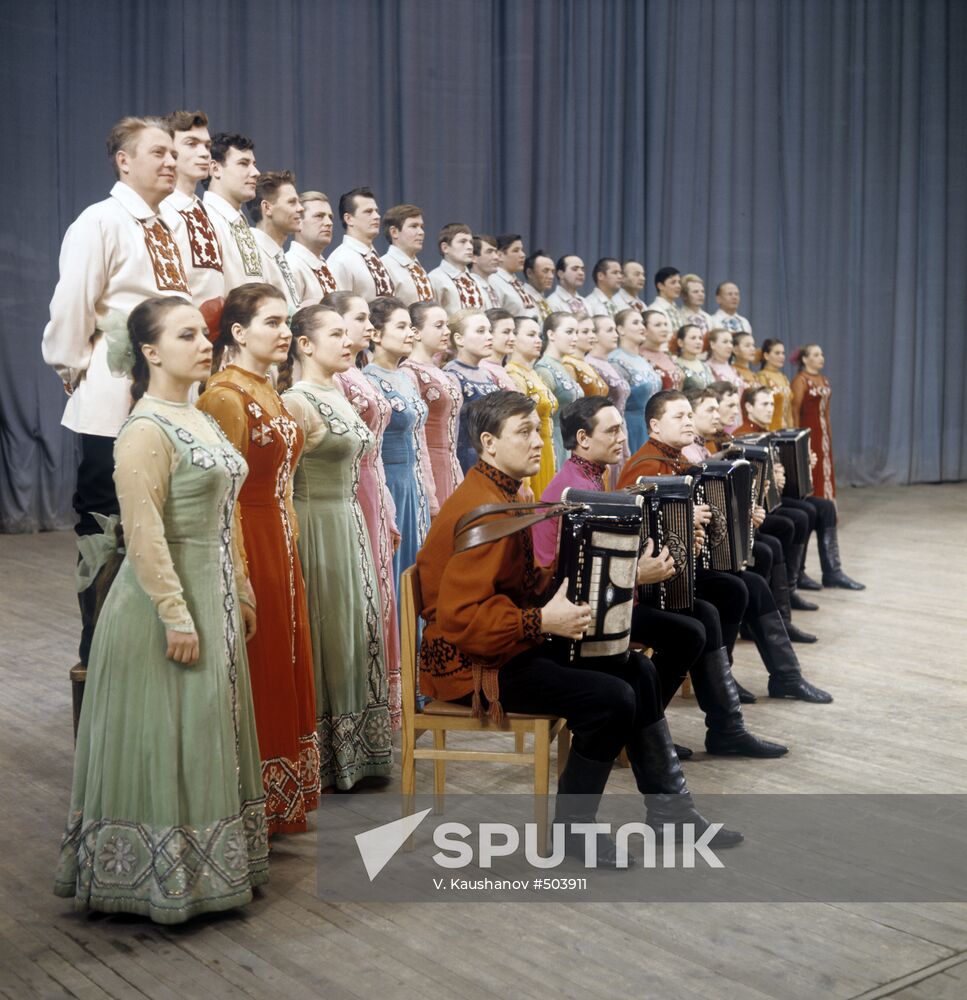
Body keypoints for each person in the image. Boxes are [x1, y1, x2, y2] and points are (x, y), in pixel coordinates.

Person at [417, 391, 743, 861]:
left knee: (636, 670)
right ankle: (574, 834)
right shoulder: (479, 511)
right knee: (610, 699)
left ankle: (672, 815)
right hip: (472, 666)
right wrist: (541, 619)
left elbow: (528, 582)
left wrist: (606, 569)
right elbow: (464, 619)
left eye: (539, 431)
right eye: (524, 432)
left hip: (506, 645)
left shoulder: (505, 493)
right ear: (489, 443)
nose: (537, 442)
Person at [54, 296, 267, 923]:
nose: (205, 343)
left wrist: (243, 590)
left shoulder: (199, 416)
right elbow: (143, 535)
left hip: (216, 593)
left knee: (206, 733)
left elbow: (227, 516)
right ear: (150, 352)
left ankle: (206, 870)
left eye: (204, 334)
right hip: (163, 605)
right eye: (186, 335)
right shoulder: (146, 428)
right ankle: (157, 880)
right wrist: (177, 614)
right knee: (175, 735)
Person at [534, 397, 788, 759]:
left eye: (622, 427)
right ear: (582, 439)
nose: (623, 437)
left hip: (609, 601)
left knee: (703, 615)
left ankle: (717, 727)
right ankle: (651, 730)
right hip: (586, 614)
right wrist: (638, 574)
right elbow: (569, 573)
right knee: (690, 629)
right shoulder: (573, 490)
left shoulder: (590, 475)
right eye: (612, 430)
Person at [42, 115, 191, 666]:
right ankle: (101, 652)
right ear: (123, 161)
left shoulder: (165, 225)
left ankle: (158, 645)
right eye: (158, 153)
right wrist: (75, 366)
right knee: (109, 523)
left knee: (165, 515)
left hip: (170, 394)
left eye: (174, 154)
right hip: (114, 392)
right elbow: (72, 305)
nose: (171, 162)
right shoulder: (99, 220)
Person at [198, 283, 320, 833]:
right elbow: (219, 496)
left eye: (287, 322)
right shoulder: (224, 396)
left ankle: (280, 798)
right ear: (239, 332)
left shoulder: (267, 389)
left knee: (286, 658)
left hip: (280, 536)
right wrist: (240, 572)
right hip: (250, 537)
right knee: (263, 660)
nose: (285, 332)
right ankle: (252, 798)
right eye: (272, 322)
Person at [618, 391, 833, 703]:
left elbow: (707, 516)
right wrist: (680, 517)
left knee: (748, 584)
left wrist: (743, 516)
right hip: (659, 582)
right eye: (678, 417)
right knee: (735, 590)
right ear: (654, 426)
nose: (688, 422)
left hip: (683, 570)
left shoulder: (679, 460)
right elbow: (636, 530)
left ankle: (780, 677)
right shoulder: (644, 467)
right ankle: (729, 691)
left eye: (689, 415)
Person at [280, 305, 392, 790]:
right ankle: (328, 758)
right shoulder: (297, 400)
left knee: (357, 624)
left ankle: (360, 750)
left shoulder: (338, 391)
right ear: (304, 344)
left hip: (349, 518)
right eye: (335, 334)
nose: (350, 341)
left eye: (350, 334)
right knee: (330, 629)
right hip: (318, 523)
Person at [686, 388, 819, 644]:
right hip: (701, 555)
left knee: (797, 522)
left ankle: (782, 608)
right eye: (713, 409)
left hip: (713, 544)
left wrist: (761, 495)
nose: (727, 413)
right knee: (772, 545)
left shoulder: (712, 446)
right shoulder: (706, 449)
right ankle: (773, 621)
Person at [328, 291, 402, 727]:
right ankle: (354, 707)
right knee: (362, 593)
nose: (366, 326)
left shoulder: (356, 374)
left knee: (380, 590)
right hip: (352, 491)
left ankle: (375, 702)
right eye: (357, 319)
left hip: (374, 489)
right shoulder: (337, 378)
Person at [739, 386, 864, 590]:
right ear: (749, 407)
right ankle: (793, 580)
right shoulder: (744, 436)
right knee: (804, 513)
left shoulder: (769, 433)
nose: (770, 409)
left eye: (772, 403)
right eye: (764, 404)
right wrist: (772, 478)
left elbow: (785, 478)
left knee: (826, 507)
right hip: (762, 507)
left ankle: (831, 571)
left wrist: (804, 465)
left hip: (775, 499)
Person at [364, 297, 430, 596]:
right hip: (391, 483)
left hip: (414, 484)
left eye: (411, 327)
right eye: (401, 326)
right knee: (397, 571)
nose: (410, 334)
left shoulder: (406, 377)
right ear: (376, 335)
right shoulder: (367, 381)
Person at [160, 109, 225, 313]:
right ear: (168, 151)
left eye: (207, 145)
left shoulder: (208, 213)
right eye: (191, 143)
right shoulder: (160, 210)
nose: (205, 153)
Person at [404, 300, 464, 512]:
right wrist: (428, 490)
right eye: (438, 326)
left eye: (447, 325)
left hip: (450, 462)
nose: (446, 331)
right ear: (416, 333)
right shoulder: (409, 373)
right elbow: (416, 436)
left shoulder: (443, 373)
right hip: (429, 465)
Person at [203, 131, 265, 288]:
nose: (256, 173)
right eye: (243, 163)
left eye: (254, 164)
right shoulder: (205, 221)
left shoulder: (239, 222)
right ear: (215, 169)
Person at [443, 310, 502, 472]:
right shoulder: (451, 376)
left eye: (489, 331)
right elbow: (450, 432)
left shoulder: (488, 375)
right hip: (467, 462)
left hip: (492, 459)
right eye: (480, 331)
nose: (489, 336)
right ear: (459, 339)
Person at [506, 316, 558, 497]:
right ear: (514, 338)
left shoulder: (533, 373)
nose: (538, 340)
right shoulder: (513, 374)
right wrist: (524, 479)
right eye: (531, 335)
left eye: (539, 335)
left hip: (548, 449)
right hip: (531, 451)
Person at [608, 308, 662, 454]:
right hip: (631, 428)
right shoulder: (615, 360)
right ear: (620, 329)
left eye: (642, 323)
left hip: (651, 428)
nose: (642, 327)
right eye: (635, 322)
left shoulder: (643, 360)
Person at [327, 187, 394, 300]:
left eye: (376, 211)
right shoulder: (340, 260)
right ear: (349, 219)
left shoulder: (373, 256)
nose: (377, 216)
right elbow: (339, 308)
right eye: (368, 212)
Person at [250, 170, 304, 312]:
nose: (301, 208)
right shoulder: (252, 252)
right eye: (292, 202)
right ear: (267, 208)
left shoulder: (277, 254)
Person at [535, 313, 584, 467]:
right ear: (551, 334)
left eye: (576, 332)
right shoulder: (543, 369)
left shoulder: (563, 366)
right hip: (554, 441)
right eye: (569, 332)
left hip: (569, 440)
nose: (575, 338)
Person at [587, 315, 632, 477]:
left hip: (621, 427)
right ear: (595, 335)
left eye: (615, 329)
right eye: (609, 330)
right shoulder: (589, 364)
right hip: (605, 432)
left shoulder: (612, 365)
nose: (616, 334)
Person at [791, 343, 837, 501]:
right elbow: (795, 410)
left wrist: (828, 431)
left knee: (826, 468)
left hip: (823, 432)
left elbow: (827, 410)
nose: (821, 358)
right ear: (805, 359)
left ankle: (828, 506)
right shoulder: (800, 380)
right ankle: (815, 505)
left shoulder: (824, 380)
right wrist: (798, 436)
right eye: (816, 355)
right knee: (813, 468)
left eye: (821, 354)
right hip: (809, 432)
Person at [286, 191, 338, 305]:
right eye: (319, 216)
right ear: (298, 221)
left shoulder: (323, 265)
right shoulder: (291, 266)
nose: (329, 223)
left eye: (330, 217)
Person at [380, 204, 433, 306]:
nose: (421, 232)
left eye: (422, 227)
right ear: (394, 232)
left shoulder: (417, 266)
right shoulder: (384, 267)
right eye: (414, 226)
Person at [428, 223, 485, 314]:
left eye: (471, 242)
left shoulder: (475, 279)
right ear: (445, 248)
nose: (470, 247)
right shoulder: (435, 279)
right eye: (462, 242)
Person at [490, 233, 539, 318]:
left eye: (521, 250)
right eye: (516, 250)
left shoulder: (515, 281)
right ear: (499, 255)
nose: (523, 255)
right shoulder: (494, 281)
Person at [562, 313, 609, 399]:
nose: (592, 336)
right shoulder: (568, 365)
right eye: (585, 332)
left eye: (593, 331)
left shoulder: (586, 364)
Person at [641, 309, 685, 390]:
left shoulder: (669, 356)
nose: (664, 329)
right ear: (644, 330)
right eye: (658, 325)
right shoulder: (639, 357)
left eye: (665, 324)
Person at [757, 339, 794, 429]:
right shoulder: (762, 377)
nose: (782, 356)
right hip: (771, 428)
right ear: (766, 355)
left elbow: (789, 409)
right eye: (777, 353)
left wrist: (791, 429)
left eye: (783, 353)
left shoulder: (784, 378)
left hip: (786, 429)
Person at [481, 308, 520, 391]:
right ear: (489, 334)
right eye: (506, 332)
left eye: (514, 332)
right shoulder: (482, 371)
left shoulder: (501, 369)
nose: (513, 338)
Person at [673, 324, 715, 391]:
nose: (698, 342)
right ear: (680, 342)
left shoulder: (706, 366)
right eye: (693, 338)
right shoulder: (675, 365)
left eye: (700, 338)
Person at [707, 328, 745, 398]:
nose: (730, 346)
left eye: (731, 342)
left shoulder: (734, 369)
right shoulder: (707, 368)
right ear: (712, 344)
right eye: (725, 342)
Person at [647, 267, 684, 337]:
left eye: (679, 282)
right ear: (660, 286)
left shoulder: (677, 310)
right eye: (673, 282)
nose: (678, 286)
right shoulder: (654, 310)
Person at [470, 233, 502, 309]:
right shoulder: (470, 288)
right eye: (489, 252)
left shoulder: (495, 287)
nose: (496, 257)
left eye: (495, 252)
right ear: (473, 258)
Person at [522, 249, 555, 320]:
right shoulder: (522, 297)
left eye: (552, 271)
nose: (551, 276)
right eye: (545, 271)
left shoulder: (544, 301)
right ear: (529, 273)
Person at [680, 273, 714, 340]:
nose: (701, 294)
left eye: (702, 291)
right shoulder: (679, 317)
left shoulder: (709, 318)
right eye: (695, 292)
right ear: (684, 295)